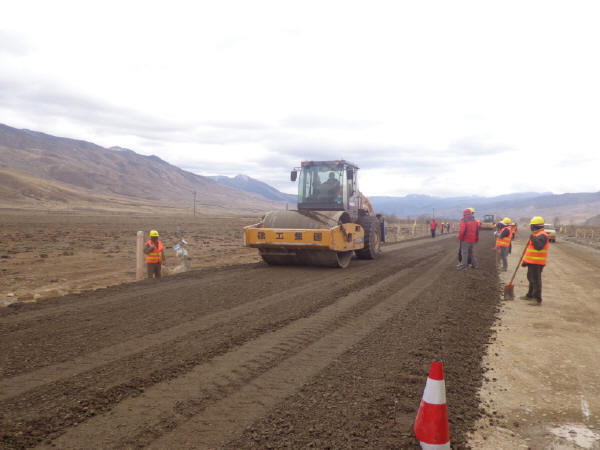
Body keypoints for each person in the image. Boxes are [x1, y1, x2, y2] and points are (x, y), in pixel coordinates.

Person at [520, 216, 549, 304]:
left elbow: (538, 247)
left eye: (532, 226)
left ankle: (537, 299)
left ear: (535, 226)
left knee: (536, 280)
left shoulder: (543, 235)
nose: (531, 228)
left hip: (537, 263)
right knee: (531, 279)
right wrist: (525, 260)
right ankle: (530, 295)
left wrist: (532, 238)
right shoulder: (536, 235)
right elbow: (530, 250)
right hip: (532, 262)